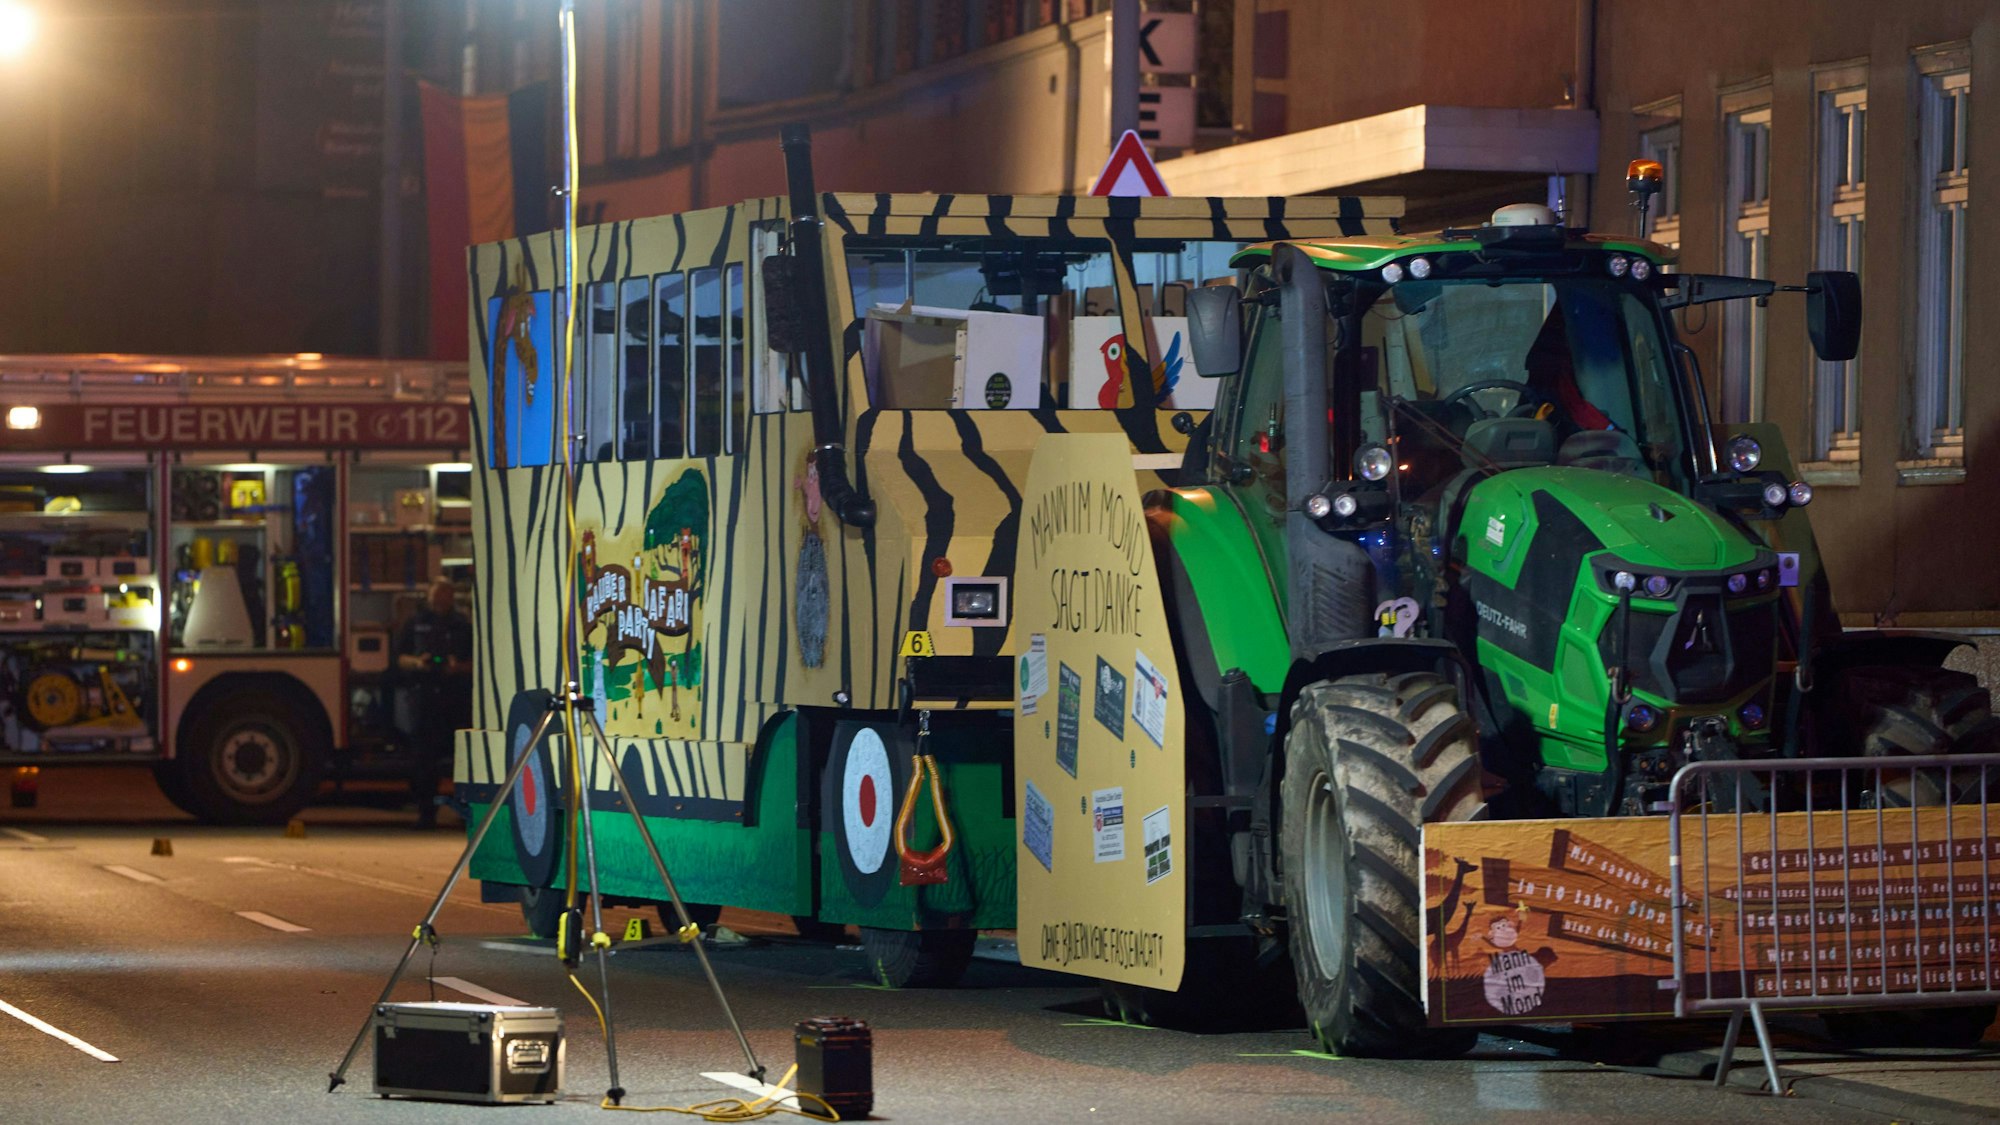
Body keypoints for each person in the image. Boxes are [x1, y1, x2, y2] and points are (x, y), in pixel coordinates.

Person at [395, 577, 473, 827]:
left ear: (451, 597)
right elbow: (399, 658)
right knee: (423, 761)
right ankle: (426, 813)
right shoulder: (416, 623)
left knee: (461, 761)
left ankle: (463, 813)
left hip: (455, 699)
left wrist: (458, 667)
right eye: (436, 595)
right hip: (424, 698)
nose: (440, 600)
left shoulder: (462, 625)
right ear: (428, 596)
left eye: (445, 595)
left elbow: (477, 662)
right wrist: (418, 663)